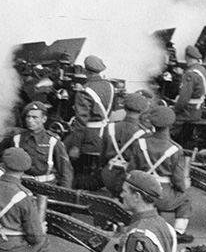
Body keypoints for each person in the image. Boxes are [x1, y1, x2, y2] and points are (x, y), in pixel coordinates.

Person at [126, 106, 194, 243]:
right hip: (164, 195)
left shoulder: (140, 143)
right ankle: (179, 231)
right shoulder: (175, 149)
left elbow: (131, 169)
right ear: (170, 125)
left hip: (143, 192)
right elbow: (178, 180)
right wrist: (183, 187)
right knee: (185, 198)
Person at [64, 55, 115, 184]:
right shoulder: (110, 86)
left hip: (88, 139)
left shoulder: (85, 92)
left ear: (86, 71)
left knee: (63, 152)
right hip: (104, 136)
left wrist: (75, 146)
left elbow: (81, 121)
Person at [11, 101, 73, 188]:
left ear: (44, 119)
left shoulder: (53, 141)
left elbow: (66, 172)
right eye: (28, 117)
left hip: (46, 187)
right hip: (22, 185)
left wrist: (65, 194)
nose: (30, 120)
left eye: (34, 117)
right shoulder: (17, 139)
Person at [100, 92, 150, 196]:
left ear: (125, 108)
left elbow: (102, 156)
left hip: (107, 174)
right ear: (142, 111)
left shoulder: (110, 127)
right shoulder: (145, 133)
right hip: (128, 178)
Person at [174, 45, 206, 149]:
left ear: (187, 58)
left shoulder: (190, 74)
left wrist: (174, 110)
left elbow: (183, 99)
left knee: (167, 122)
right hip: (197, 110)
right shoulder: (202, 70)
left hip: (187, 112)